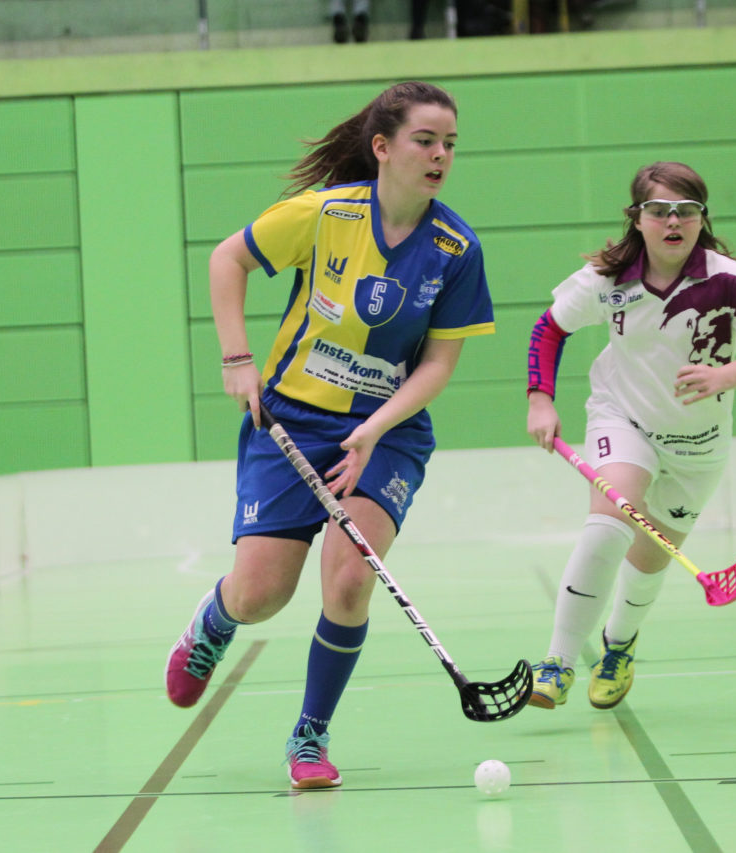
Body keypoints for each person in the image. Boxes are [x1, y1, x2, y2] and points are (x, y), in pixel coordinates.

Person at [165, 81, 494, 789]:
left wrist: (374, 428)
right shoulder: (325, 214)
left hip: (388, 429)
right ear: (383, 147)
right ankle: (215, 621)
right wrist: (236, 359)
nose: (441, 155)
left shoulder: (456, 247)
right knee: (261, 595)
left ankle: (310, 734)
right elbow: (229, 258)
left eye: (450, 144)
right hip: (291, 419)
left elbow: (438, 362)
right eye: (425, 140)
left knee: (350, 578)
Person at [523, 161, 736, 710]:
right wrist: (540, 397)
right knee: (607, 525)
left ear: (701, 219)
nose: (673, 221)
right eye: (659, 210)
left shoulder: (732, 280)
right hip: (622, 417)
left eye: (686, 211)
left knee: (649, 562)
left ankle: (619, 645)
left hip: (698, 445)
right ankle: (556, 662)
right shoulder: (608, 279)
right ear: (637, 218)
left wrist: (725, 375)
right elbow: (550, 328)